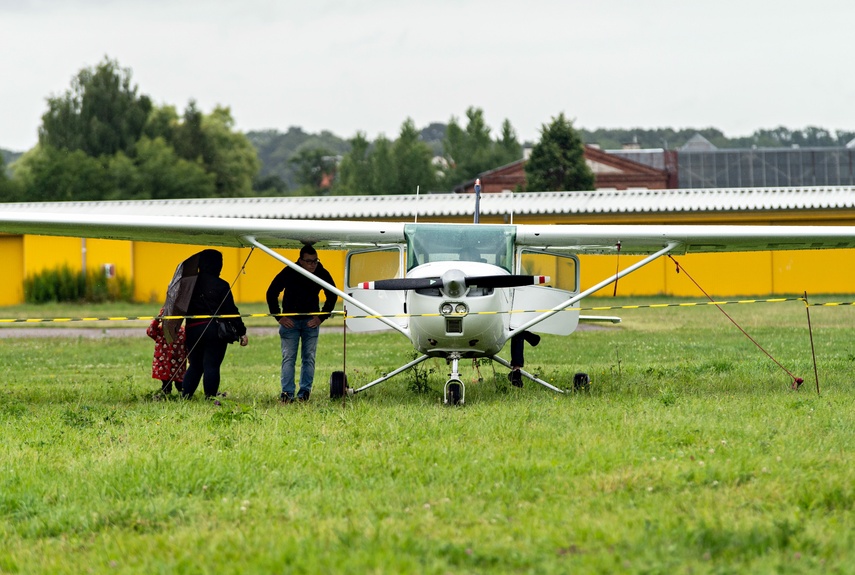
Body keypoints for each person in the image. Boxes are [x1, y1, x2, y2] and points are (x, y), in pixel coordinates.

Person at [266, 244, 338, 403]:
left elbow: (333, 293)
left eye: (315, 261)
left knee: (309, 357)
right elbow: (271, 292)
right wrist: (279, 317)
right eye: (309, 261)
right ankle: (287, 394)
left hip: (310, 322)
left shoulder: (321, 272)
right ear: (300, 260)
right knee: (288, 358)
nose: (313, 264)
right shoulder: (290, 270)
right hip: (289, 322)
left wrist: (321, 317)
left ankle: (304, 393)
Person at [181, 249, 248, 400]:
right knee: (212, 364)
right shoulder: (221, 285)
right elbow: (230, 310)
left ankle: (185, 396)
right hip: (214, 331)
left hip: (192, 329)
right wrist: (241, 331)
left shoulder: (189, 284)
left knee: (195, 365)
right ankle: (210, 397)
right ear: (218, 265)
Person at [146, 308, 187, 396]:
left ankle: (184, 395)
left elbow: (187, 346)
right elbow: (150, 331)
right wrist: (157, 320)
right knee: (166, 384)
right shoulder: (161, 331)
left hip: (177, 364)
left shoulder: (182, 332)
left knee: (180, 384)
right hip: (165, 365)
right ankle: (167, 394)